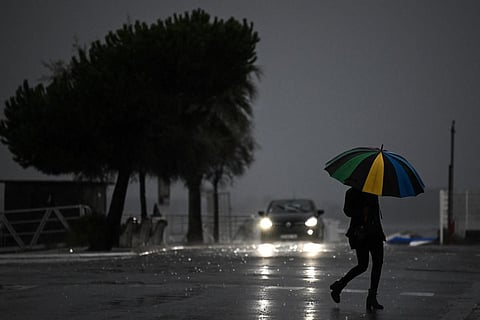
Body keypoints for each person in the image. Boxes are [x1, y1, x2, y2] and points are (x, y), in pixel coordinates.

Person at [329, 187, 386, 312]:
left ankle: (372, 296)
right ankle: (339, 286)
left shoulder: (373, 192)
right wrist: (362, 212)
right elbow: (347, 211)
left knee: (378, 263)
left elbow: (375, 213)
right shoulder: (352, 192)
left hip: (375, 233)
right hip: (360, 234)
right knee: (362, 265)